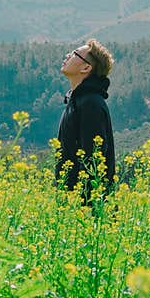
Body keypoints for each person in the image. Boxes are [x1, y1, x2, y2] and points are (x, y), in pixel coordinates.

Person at [55, 38, 116, 207]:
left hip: (87, 207)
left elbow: (93, 158)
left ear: (86, 68)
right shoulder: (78, 100)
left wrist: (84, 205)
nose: (68, 56)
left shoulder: (90, 104)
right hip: (74, 203)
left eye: (75, 54)